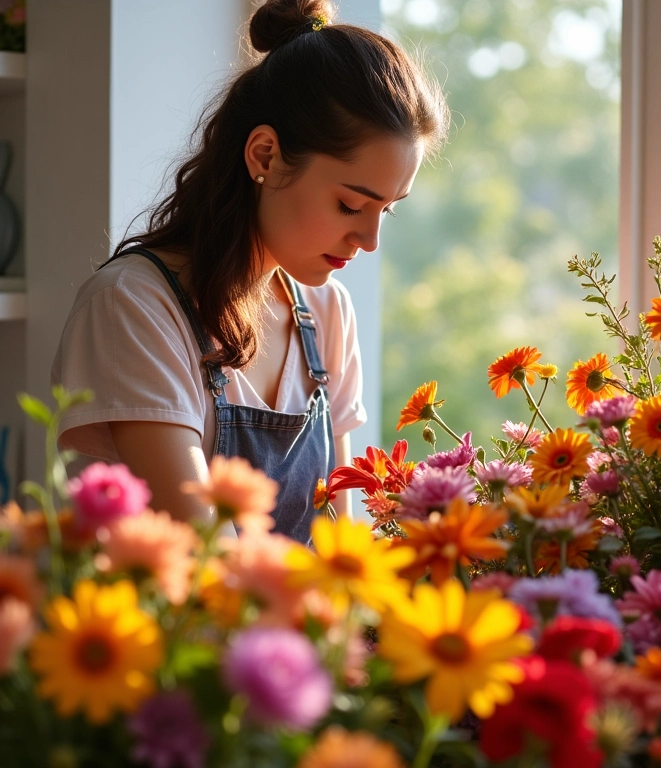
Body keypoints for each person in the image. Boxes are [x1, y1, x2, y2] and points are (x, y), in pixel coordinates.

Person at [50, 0, 450, 543]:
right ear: (264, 155)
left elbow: (340, 549)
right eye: (351, 205)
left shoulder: (327, 312)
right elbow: (205, 561)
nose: (370, 240)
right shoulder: (135, 306)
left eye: (388, 209)